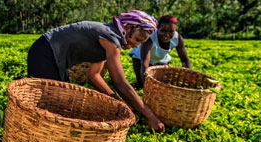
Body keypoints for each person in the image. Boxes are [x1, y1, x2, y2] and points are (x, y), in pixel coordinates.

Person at [27, 10, 165, 132]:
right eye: (137, 39)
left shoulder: (109, 35)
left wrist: (117, 101)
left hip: (56, 60)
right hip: (45, 53)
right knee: (52, 105)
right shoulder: (111, 37)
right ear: (128, 27)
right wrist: (150, 115)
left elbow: (94, 76)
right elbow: (120, 82)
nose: (136, 45)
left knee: (62, 102)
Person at [129, 14, 192, 89]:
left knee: (162, 85)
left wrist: (188, 79)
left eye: (171, 31)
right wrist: (147, 87)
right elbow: (145, 63)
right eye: (163, 31)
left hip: (161, 61)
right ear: (158, 28)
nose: (167, 35)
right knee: (142, 85)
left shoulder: (177, 38)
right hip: (140, 59)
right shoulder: (150, 37)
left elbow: (185, 60)